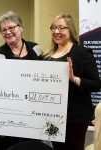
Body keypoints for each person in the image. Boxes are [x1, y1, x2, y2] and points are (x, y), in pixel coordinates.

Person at [42, 14, 101, 150]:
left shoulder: (82, 53)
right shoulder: (45, 56)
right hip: (52, 116)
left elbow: (96, 84)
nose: (56, 31)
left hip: (75, 118)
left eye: (61, 28)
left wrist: (74, 79)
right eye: (54, 28)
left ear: (71, 30)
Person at [0, 11, 42, 150]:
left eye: (11, 28)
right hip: (8, 112)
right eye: (4, 30)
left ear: (21, 28)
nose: (8, 32)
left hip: (33, 111)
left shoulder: (36, 49)